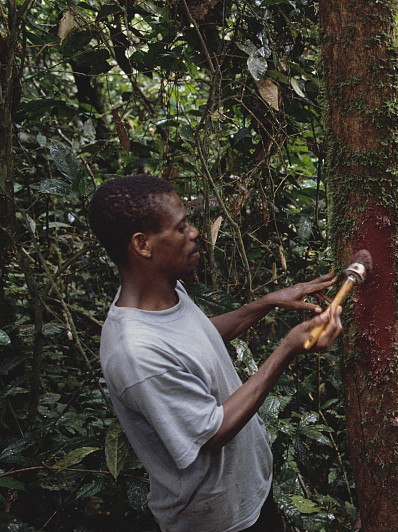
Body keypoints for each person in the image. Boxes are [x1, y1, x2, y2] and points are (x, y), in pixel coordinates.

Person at [88, 175, 343, 532]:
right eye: (180, 228)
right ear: (143, 245)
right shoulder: (136, 353)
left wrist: (268, 303)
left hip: (246, 494)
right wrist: (288, 348)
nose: (193, 233)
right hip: (218, 521)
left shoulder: (165, 291)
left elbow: (197, 336)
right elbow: (211, 434)